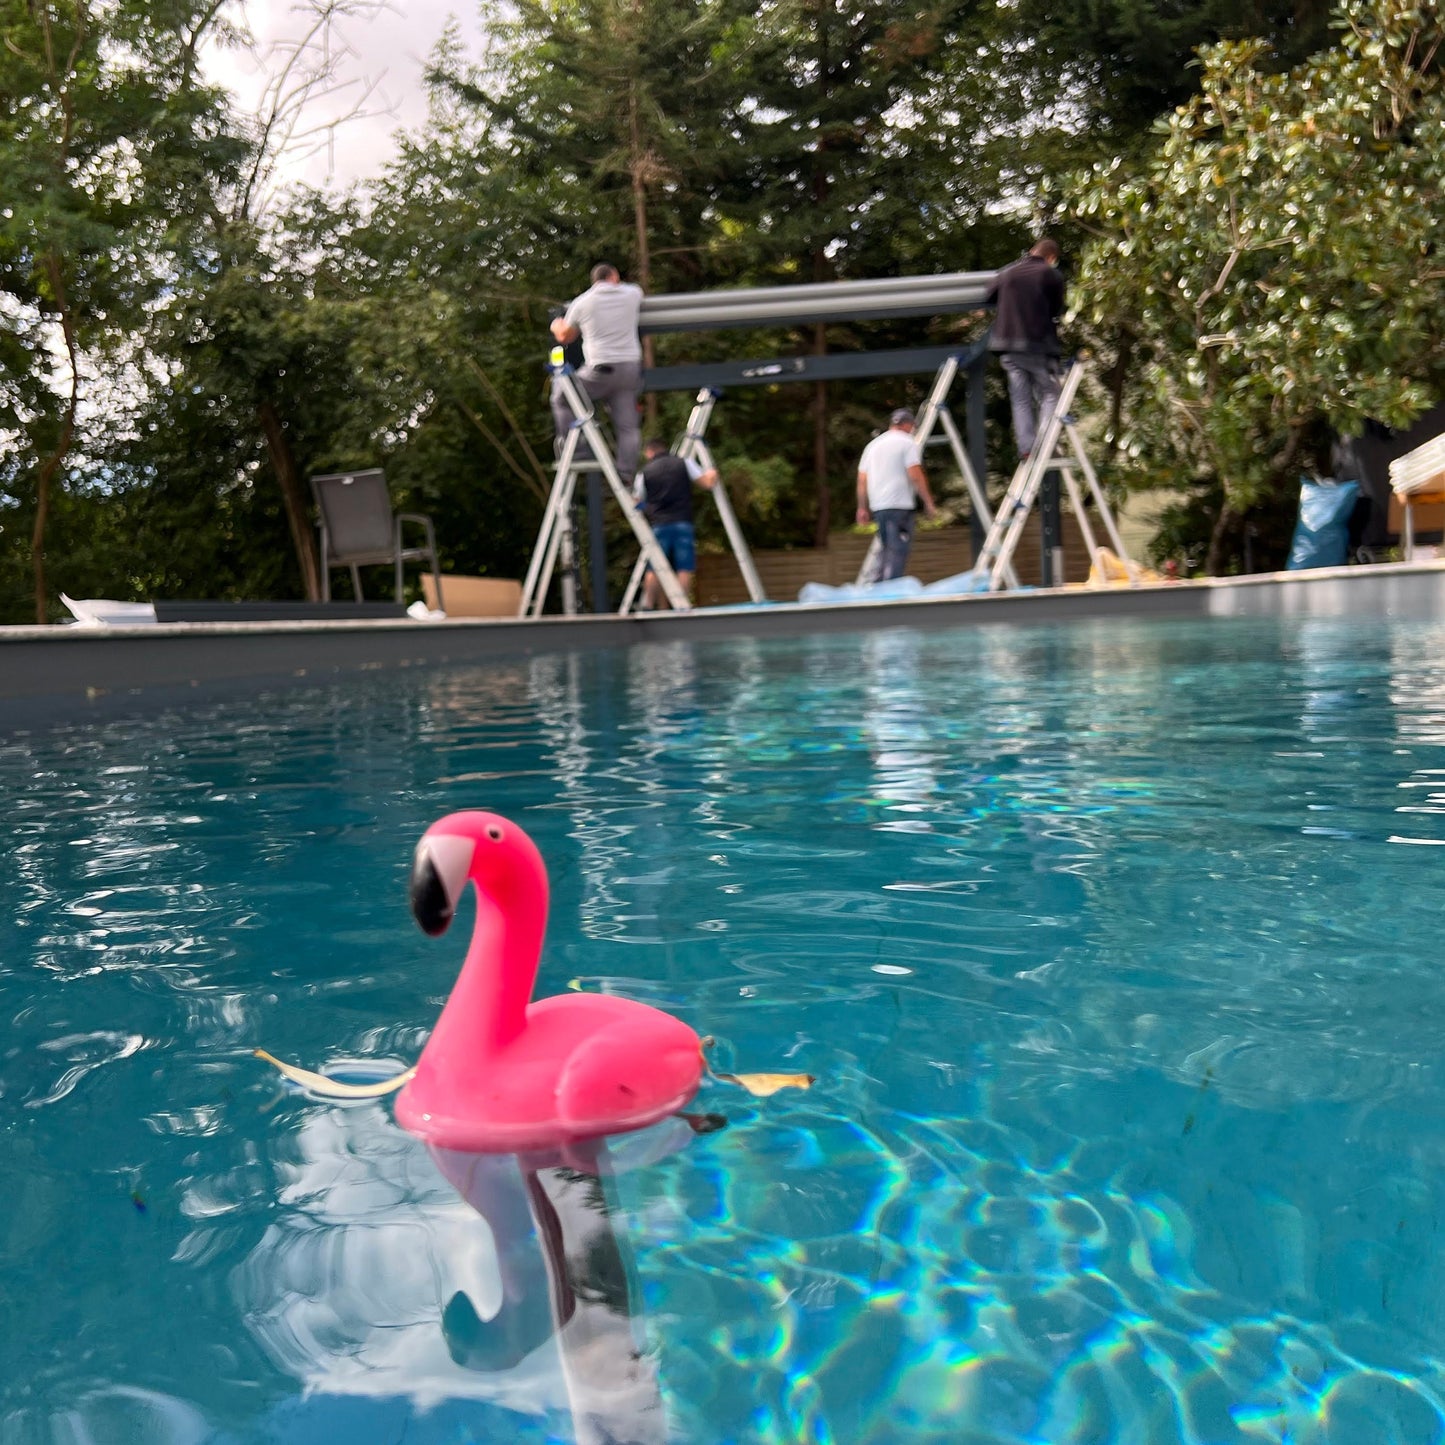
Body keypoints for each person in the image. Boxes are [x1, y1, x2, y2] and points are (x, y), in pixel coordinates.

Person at [550, 263, 644, 479]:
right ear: (615, 276)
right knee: (628, 427)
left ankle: (578, 451)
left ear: (595, 280)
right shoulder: (633, 293)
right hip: (629, 370)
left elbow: (565, 336)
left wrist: (556, 325)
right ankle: (626, 473)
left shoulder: (583, 302)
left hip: (600, 370)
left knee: (561, 396)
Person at [985, 237, 1066, 461]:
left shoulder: (1007, 273)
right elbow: (1057, 308)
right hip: (1037, 345)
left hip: (1008, 349)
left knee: (1020, 398)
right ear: (1051, 258)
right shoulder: (1051, 275)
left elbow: (989, 296)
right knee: (1050, 394)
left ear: (1031, 251)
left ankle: (1027, 448)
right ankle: (1046, 444)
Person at [855, 408, 938, 581]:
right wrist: (928, 502)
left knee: (886, 550)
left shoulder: (873, 445)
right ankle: (889, 595)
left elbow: (862, 479)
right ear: (907, 425)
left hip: (879, 506)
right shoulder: (907, 442)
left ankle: (876, 588)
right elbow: (915, 474)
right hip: (899, 506)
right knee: (897, 551)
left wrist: (862, 508)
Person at [637, 438, 717, 609]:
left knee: (655, 567)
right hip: (682, 522)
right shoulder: (684, 463)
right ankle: (681, 606)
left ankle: (649, 605)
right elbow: (707, 483)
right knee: (684, 566)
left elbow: (637, 501)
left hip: (658, 524)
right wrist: (712, 472)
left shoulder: (644, 472)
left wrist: (646, 507)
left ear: (649, 452)